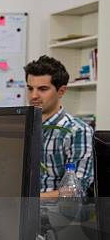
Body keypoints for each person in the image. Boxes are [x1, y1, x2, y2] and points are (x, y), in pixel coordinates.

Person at [24, 55, 94, 197]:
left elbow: (76, 191)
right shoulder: (23, 126)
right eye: (30, 88)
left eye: (42, 89)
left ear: (61, 91)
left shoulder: (77, 131)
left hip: (55, 213)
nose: (34, 95)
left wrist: (26, 201)